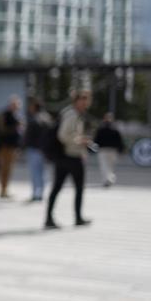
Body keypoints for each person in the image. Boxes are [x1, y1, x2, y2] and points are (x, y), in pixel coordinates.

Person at [45, 90, 93, 229]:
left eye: (87, 100)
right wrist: (80, 141)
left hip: (66, 156)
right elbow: (63, 135)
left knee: (58, 188)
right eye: (83, 100)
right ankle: (75, 217)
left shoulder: (72, 114)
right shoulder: (71, 115)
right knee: (74, 188)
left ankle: (52, 217)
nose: (85, 103)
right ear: (76, 101)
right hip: (70, 156)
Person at [0, 95, 22, 198]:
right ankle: (3, 190)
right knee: (5, 168)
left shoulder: (14, 115)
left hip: (12, 146)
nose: (18, 106)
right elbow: (2, 130)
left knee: (9, 169)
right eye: (16, 104)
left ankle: (5, 189)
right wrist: (16, 127)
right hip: (5, 146)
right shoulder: (5, 115)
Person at [23, 98, 52, 201]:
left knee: (35, 173)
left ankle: (36, 194)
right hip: (44, 150)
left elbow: (28, 136)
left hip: (34, 149)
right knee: (43, 173)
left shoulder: (34, 119)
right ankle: (41, 193)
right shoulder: (47, 118)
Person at [94, 113, 125, 187]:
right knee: (110, 166)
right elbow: (119, 142)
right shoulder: (115, 129)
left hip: (104, 150)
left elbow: (96, 140)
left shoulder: (100, 129)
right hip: (112, 151)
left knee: (105, 166)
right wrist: (121, 150)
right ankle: (109, 179)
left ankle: (108, 179)